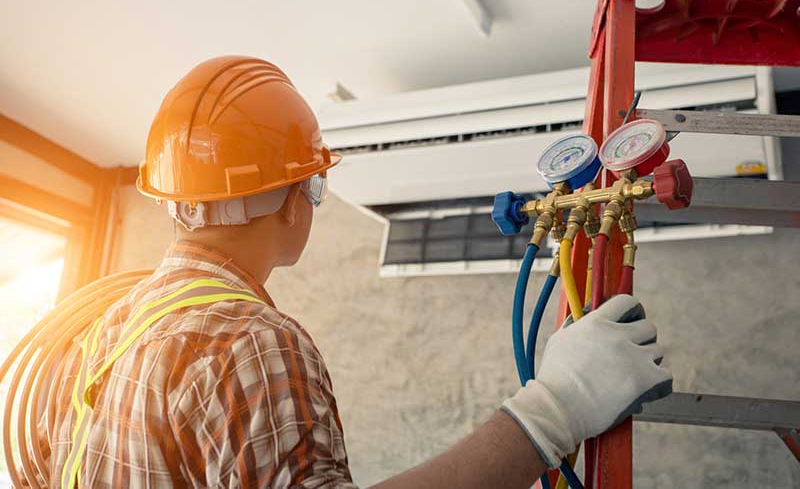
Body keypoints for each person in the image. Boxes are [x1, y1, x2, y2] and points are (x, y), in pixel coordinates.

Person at [46, 56, 672, 488]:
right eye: (314, 185)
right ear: (292, 198)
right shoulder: (247, 342)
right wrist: (556, 409)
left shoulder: (106, 331)